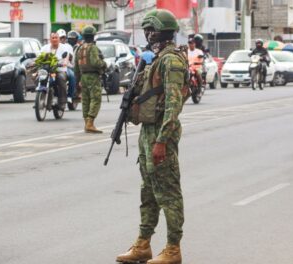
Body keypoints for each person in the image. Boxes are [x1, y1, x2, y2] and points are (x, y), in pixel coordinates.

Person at [116, 9, 187, 264]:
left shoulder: (172, 60)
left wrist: (162, 140)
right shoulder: (154, 59)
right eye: (146, 30)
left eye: (151, 30)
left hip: (160, 134)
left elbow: (173, 104)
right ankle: (143, 244)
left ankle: (173, 249)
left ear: (162, 31)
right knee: (148, 191)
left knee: (167, 192)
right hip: (148, 131)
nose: (147, 34)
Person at [74, 26, 107, 133]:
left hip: (83, 77)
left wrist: (77, 80)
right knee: (96, 99)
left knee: (86, 100)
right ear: (93, 36)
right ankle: (90, 123)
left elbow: (76, 67)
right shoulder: (92, 47)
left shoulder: (79, 48)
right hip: (93, 76)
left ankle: (86, 123)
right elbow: (95, 62)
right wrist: (104, 64)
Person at [40, 32, 72, 110]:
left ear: (58, 39)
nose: (54, 39)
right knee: (39, 77)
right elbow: (39, 57)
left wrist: (65, 62)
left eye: (56, 38)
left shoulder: (64, 48)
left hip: (59, 70)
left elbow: (67, 57)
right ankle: (41, 98)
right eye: (53, 38)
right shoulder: (45, 48)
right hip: (47, 70)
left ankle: (62, 101)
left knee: (61, 78)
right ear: (50, 39)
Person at [67, 30, 81, 102]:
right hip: (65, 66)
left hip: (76, 67)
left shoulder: (79, 48)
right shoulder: (65, 46)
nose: (71, 40)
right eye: (70, 39)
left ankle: (75, 93)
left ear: (76, 39)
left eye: (73, 39)